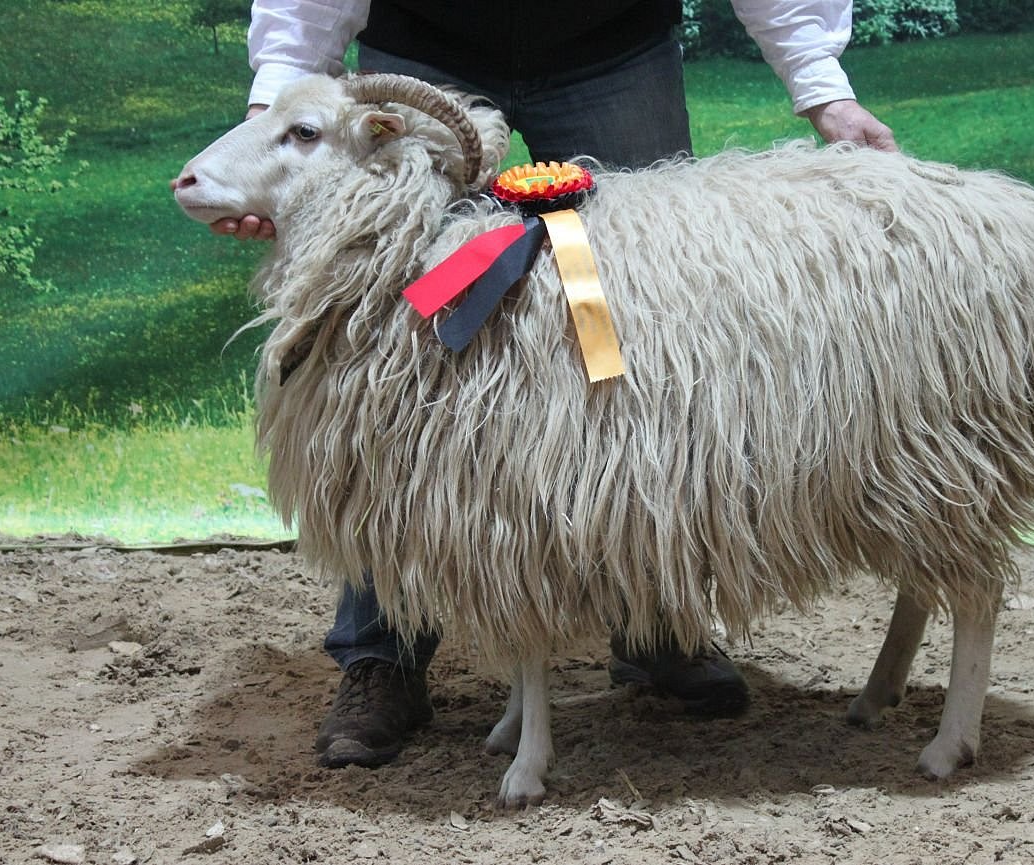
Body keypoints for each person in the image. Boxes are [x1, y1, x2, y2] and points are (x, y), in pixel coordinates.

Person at [212, 0, 897, 770]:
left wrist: (821, 85)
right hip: (428, 53)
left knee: (652, 337)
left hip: (611, 51)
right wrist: (274, 123)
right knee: (389, 367)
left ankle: (655, 624)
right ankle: (384, 655)